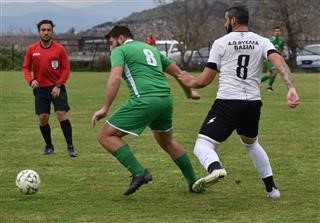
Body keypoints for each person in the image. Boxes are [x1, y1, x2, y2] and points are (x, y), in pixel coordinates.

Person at [178, 6, 299, 199]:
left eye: (226, 20)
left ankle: (215, 168)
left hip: (228, 102)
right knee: (251, 144)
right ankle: (272, 189)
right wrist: (291, 87)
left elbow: (205, 80)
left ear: (233, 20)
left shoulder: (220, 43)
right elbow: (279, 63)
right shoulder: (262, 41)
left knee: (202, 145)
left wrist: (189, 81)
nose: (225, 23)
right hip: (252, 103)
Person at [91, 25, 201, 196]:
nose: (110, 47)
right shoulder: (150, 48)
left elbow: (115, 78)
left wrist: (105, 108)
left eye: (111, 42)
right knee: (167, 142)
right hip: (165, 100)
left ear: (120, 38)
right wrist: (189, 92)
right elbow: (179, 73)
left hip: (144, 100)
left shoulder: (120, 50)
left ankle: (139, 172)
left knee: (105, 135)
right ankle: (194, 182)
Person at [22, 19, 77, 157]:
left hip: (57, 87)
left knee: (61, 114)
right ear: (39, 32)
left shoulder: (60, 49)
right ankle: (49, 146)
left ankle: (70, 147)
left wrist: (58, 85)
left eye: (48, 30)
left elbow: (66, 69)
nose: (46, 32)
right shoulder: (32, 49)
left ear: (52, 31)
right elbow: (26, 67)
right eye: (43, 30)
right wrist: (30, 80)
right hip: (40, 89)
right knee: (43, 118)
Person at [261, 26, 285, 91]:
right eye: (276, 31)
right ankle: (269, 87)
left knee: (271, 74)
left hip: (276, 59)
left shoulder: (282, 40)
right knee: (274, 72)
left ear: (280, 32)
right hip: (269, 59)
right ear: (273, 32)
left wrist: (281, 57)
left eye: (278, 31)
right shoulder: (270, 40)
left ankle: (258, 82)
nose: (277, 32)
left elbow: (281, 50)